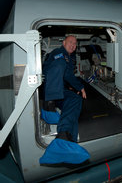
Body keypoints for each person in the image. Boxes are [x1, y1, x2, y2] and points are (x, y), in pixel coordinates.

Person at [39, 35, 90, 165]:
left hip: (58, 91)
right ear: (64, 42)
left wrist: (76, 89)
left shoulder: (69, 57)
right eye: (71, 42)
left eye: (75, 44)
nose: (73, 45)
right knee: (59, 64)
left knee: (75, 99)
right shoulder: (59, 53)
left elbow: (68, 76)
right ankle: (48, 106)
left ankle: (66, 138)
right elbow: (66, 74)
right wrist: (80, 86)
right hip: (49, 91)